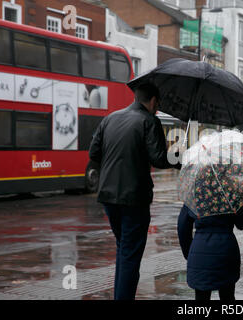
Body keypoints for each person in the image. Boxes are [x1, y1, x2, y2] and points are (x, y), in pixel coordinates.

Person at [89, 82, 181, 300]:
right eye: (157, 104)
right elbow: (158, 158)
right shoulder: (149, 121)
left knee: (124, 249)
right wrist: (179, 157)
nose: (157, 108)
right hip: (134, 198)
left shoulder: (110, 118)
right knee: (130, 255)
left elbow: (94, 152)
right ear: (153, 101)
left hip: (108, 196)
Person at [177, 165, 243, 301]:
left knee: (201, 299)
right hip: (227, 252)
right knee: (228, 297)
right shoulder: (231, 190)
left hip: (199, 252)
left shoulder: (195, 192)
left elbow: (183, 226)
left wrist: (189, 253)